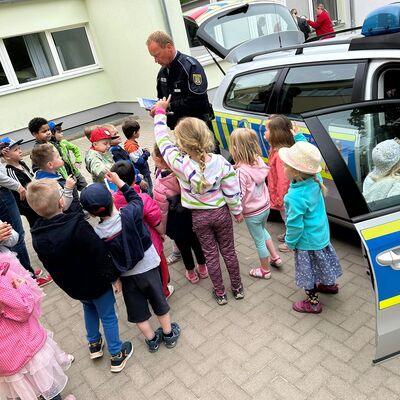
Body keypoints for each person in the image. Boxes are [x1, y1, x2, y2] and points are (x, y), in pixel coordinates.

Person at [26, 179, 133, 373]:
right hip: (96, 283)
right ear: (61, 203)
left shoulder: (37, 235)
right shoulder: (78, 226)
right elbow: (99, 255)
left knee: (89, 308)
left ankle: (94, 344)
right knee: (108, 316)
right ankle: (117, 354)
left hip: (73, 286)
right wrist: (113, 277)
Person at [152, 96, 243, 305]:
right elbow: (231, 191)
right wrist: (237, 211)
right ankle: (237, 288)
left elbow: (162, 141)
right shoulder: (221, 162)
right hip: (221, 213)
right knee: (228, 251)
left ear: (182, 143)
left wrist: (160, 113)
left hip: (199, 218)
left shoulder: (179, 164)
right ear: (206, 137)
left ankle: (220, 293)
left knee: (210, 255)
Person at [80, 172, 181, 353]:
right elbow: (136, 198)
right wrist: (119, 183)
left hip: (127, 277)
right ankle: (168, 334)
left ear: (92, 213)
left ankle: (152, 340)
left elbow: (104, 259)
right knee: (159, 303)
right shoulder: (129, 213)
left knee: (139, 313)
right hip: (149, 267)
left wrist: (114, 279)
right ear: (111, 198)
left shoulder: (97, 234)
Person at [0, 221, 76, 400]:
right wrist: (22, 287)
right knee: (42, 378)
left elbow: (13, 237)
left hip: (5, 358)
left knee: (24, 386)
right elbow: (23, 309)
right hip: (22, 345)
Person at [279, 141, 342, 313]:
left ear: (295, 171)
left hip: (306, 242)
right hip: (321, 236)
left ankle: (313, 303)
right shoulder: (316, 179)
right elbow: (310, 159)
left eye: (285, 165)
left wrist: (290, 243)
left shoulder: (294, 196)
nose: (283, 167)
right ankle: (329, 285)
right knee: (322, 262)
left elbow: (294, 226)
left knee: (308, 272)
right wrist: (297, 136)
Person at [110, 160, 174, 299]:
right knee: (160, 268)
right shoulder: (143, 198)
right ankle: (163, 292)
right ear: (134, 178)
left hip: (129, 246)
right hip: (151, 243)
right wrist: (162, 233)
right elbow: (156, 220)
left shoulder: (113, 201)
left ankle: (146, 295)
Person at [146, 31, 219, 152]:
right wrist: (158, 110)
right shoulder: (162, 73)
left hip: (199, 129)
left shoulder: (190, 66)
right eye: (153, 57)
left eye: (157, 55)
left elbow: (196, 100)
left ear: (169, 47)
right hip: (179, 131)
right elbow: (162, 99)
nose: (155, 60)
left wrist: (168, 107)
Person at [230, 128, 282, 279]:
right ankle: (275, 257)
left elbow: (238, 195)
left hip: (252, 213)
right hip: (265, 207)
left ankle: (264, 271)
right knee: (263, 231)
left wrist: (237, 212)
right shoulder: (258, 160)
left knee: (258, 240)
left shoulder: (241, 172)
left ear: (235, 148)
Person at [152, 144, 208, 284]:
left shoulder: (159, 185)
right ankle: (203, 268)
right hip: (193, 217)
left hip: (176, 223)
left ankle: (191, 273)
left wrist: (162, 230)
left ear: (159, 160)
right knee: (197, 243)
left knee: (184, 249)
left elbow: (162, 212)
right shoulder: (186, 172)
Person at [264, 115, 306, 253]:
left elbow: (284, 180)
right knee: (286, 217)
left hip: (284, 195)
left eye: (267, 129)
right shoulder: (276, 150)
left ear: (276, 133)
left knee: (288, 217)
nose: (264, 132)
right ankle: (289, 233)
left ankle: (292, 241)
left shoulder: (281, 154)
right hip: (282, 194)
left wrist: (281, 198)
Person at [31, 144, 82, 215]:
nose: (61, 157)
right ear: (50, 165)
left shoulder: (40, 175)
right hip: (68, 217)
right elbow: (63, 206)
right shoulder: (51, 185)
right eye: (58, 157)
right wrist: (68, 189)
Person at [1, 138, 40, 227]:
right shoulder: (11, 171)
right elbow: (22, 194)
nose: (20, 151)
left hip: (37, 200)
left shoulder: (22, 164)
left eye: (19, 148)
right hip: (31, 208)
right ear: (7, 156)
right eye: (16, 150)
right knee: (37, 226)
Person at [49, 121, 88, 191]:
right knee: (73, 193)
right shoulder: (50, 147)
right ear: (52, 134)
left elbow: (75, 148)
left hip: (74, 172)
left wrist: (78, 161)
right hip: (66, 177)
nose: (62, 133)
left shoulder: (63, 142)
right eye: (59, 132)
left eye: (62, 131)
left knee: (86, 187)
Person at [122, 119, 153, 197]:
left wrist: (142, 151)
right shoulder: (131, 146)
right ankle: (149, 205)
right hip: (142, 172)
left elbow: (135, 155)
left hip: (144, 171)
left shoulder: (130, 143)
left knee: (149, 188)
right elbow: (138, 161)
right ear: (134, 133)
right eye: (138, 131)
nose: (139, 132)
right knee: (147, 190)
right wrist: (146, 154)